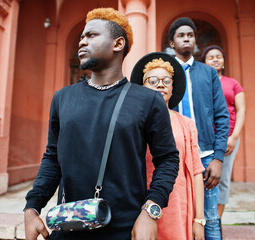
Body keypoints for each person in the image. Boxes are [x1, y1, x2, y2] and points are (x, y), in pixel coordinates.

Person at [24, 8, 180, 240]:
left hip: (124, 229)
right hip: (67, 226)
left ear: (118, 43)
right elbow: (52, 157)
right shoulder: (62, 98)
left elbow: (168, 159)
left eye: (91, 35)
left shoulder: (148, 100)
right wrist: (32, 207)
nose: (82, 42)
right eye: (81, 37)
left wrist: (150, 210)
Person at [130, 52, 205, 240]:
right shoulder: (131, 121)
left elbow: (196, 172)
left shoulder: (186, 124)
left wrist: (199, 219)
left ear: (173, 87)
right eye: (152, 80)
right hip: (139, 205)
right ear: (141, 86)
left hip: (177, 206)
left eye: (166, 80)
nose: (160, 84)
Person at [168, 17, 230, 239]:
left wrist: (218, 158)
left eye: (190, 35)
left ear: (195, 41)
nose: (186, 38)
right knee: (178, 215)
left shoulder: (209, 73)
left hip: (205, 156)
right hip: (173, 157)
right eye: (181, 35)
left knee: (210, 218)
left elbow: (222, 116)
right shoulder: (166, 73)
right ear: (172, 43)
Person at [201, 45, 246, 219]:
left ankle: (216, 220)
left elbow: (241, 110)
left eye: (218, 56)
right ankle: (201, 217)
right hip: (204, 137)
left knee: (222, 178)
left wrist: (234, 137)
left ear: (224, 61)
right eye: (210, 57)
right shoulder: (201, 83)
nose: (215, 59)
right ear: (204, 62)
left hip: (228, 138)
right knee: (203, 177)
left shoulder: (232, 83)